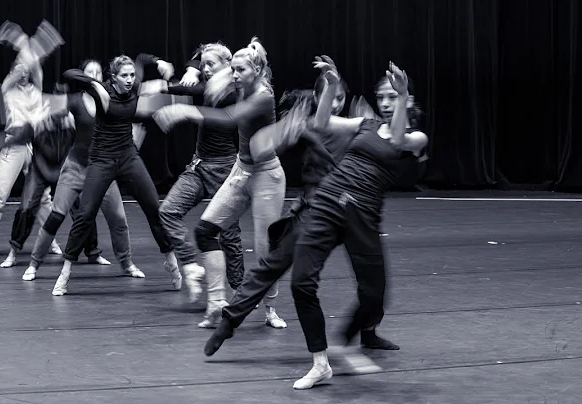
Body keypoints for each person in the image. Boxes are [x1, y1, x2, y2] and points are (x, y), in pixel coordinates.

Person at [289, 61, 428, 390]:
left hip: (363, 216)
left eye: (393, 96)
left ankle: (345, 340)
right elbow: (322, 122)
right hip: (328, 202)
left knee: (374, 297)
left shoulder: (415, 137)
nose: (384, 102)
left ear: (407, 101)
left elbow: (396, 137)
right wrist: (331, 85)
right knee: (301, 283)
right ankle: (320, 362)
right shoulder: (364, 125)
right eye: (381, 97)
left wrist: (405, 90)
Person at [203, 56, 351, 355]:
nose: (335, 104)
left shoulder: (350, 126)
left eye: (340, 98)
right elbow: (276, 136)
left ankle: (367, 331)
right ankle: (225, 317)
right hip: (308, 207)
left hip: (343, 208)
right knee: (269, 263)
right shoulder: (307, 122)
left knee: (367, 273)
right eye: (328, 98)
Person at [153, 37, 287, 329]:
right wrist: (189, 70)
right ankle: (216, 306)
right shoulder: (237, 83)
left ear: (258, 71)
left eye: (240, 70)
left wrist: (184, 110)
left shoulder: (263, 95)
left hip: (267, 176)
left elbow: (228, 117)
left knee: (265, 249)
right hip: (241, 169)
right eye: (233, 70)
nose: (235, 75)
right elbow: (204, 65)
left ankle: (270, 309)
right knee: (206, 230)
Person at [51, 53, 179, 296]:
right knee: (86, 214)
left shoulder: (135, 86)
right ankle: (66, 272)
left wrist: (159, 63)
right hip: (101, 159)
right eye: (124, 76)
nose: (130, 80)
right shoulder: (102, 91)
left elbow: (144, 63)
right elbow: (69, 74)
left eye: (132, 75)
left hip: (128, 156)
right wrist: (92, 83)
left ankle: (171, 260)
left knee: (154, 207)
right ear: (114, 77)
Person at [20, 59, 142, 281]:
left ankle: (127, 263)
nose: (94, 75)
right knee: (56, 216)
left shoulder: (113, 101)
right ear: (83, 77)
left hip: (103, 169)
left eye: (98, 71)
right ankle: (34, 264)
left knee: (118, 219)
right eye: (89, 72)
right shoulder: (76, 100)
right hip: (76, 167)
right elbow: (46, 107)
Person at [145, 42, 245, 304]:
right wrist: (192, 68)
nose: (206, 70)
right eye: (204, 66)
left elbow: (202, 92)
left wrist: (165, 87)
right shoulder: (211, 83)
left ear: (228, 65)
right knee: (168, 211)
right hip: (199, 166)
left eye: (212, 65)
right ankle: (190, 265)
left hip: (224, 169)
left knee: (229, 234)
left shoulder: (234, 90)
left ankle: (238, 292)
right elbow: (197, 71)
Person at [0, 20, 64, 259]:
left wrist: (26, 45)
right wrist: (22, 45)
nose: (23, 70)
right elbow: (12, 77)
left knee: (44, 198)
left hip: (35, 146)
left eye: (26, 68)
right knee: (1, 194)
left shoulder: (36, 88)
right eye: (19, 68)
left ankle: (51, 240)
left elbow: (35, 67)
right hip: (14, 145)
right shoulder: (9, 89)